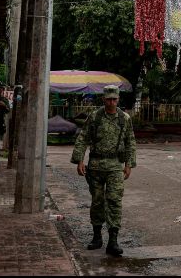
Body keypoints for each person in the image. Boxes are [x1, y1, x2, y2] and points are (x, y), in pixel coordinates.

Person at [70, 85, 136, 257]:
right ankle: (97, 236)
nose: (111, 102)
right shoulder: (95, 117)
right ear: (103, 99)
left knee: (114, 201)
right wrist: (79, 161)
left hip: (115, 166)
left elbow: (130, 142)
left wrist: (129, 164)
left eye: (114, 99)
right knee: (97, 201)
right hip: (96, 166)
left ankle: (113, 240)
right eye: (108, 99)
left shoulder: (125, 118)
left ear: (118, 99)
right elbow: (83, 137)